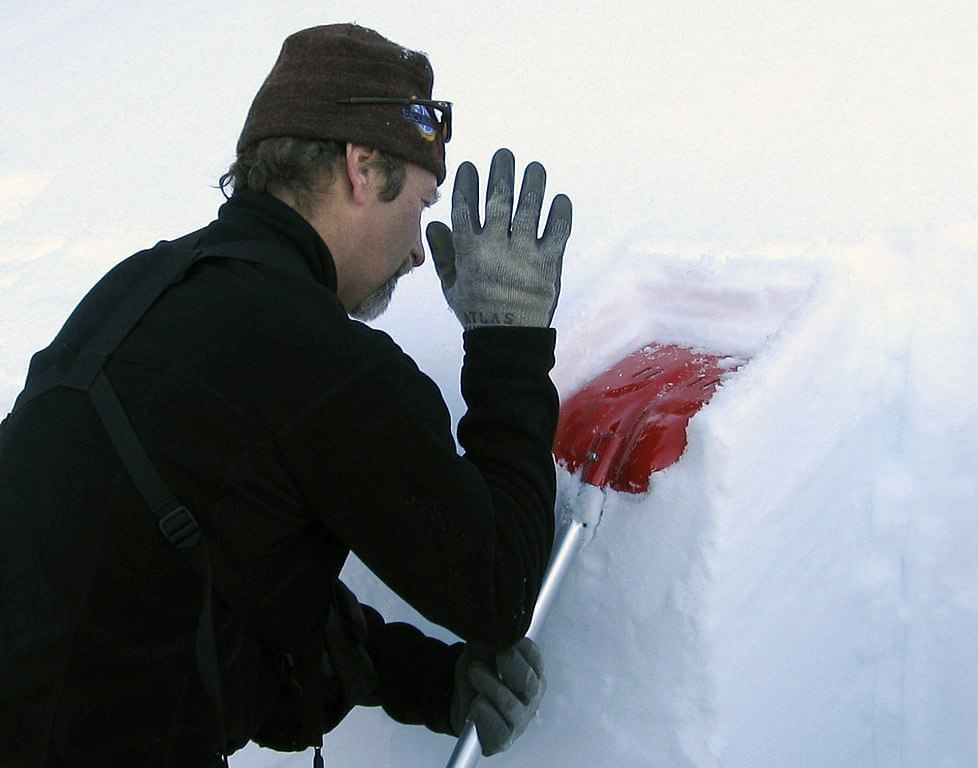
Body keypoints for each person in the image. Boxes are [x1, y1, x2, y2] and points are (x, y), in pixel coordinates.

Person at [0, 23, 572, 767]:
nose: (413, 249)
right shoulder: (321, 360)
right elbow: (499, 589)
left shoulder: (134, 293)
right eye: (422, 207)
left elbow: (213, 586)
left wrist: (435, 682)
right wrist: (509, 341)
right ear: (363, 167)